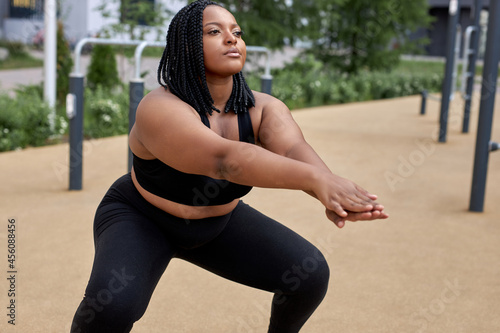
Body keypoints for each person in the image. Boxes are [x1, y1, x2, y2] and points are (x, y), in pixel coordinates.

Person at [70, 1, 388, 332]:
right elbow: (225, 161)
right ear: (188, 44)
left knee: (308, 275)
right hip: (142, 217)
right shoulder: (159, 107)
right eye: (214, 32)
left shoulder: (264, 109)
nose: (231, 39)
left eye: (237, 32)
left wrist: (329, 191)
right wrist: (318, 180)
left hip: (217, 224)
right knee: (111, 308)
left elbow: (294, 149)